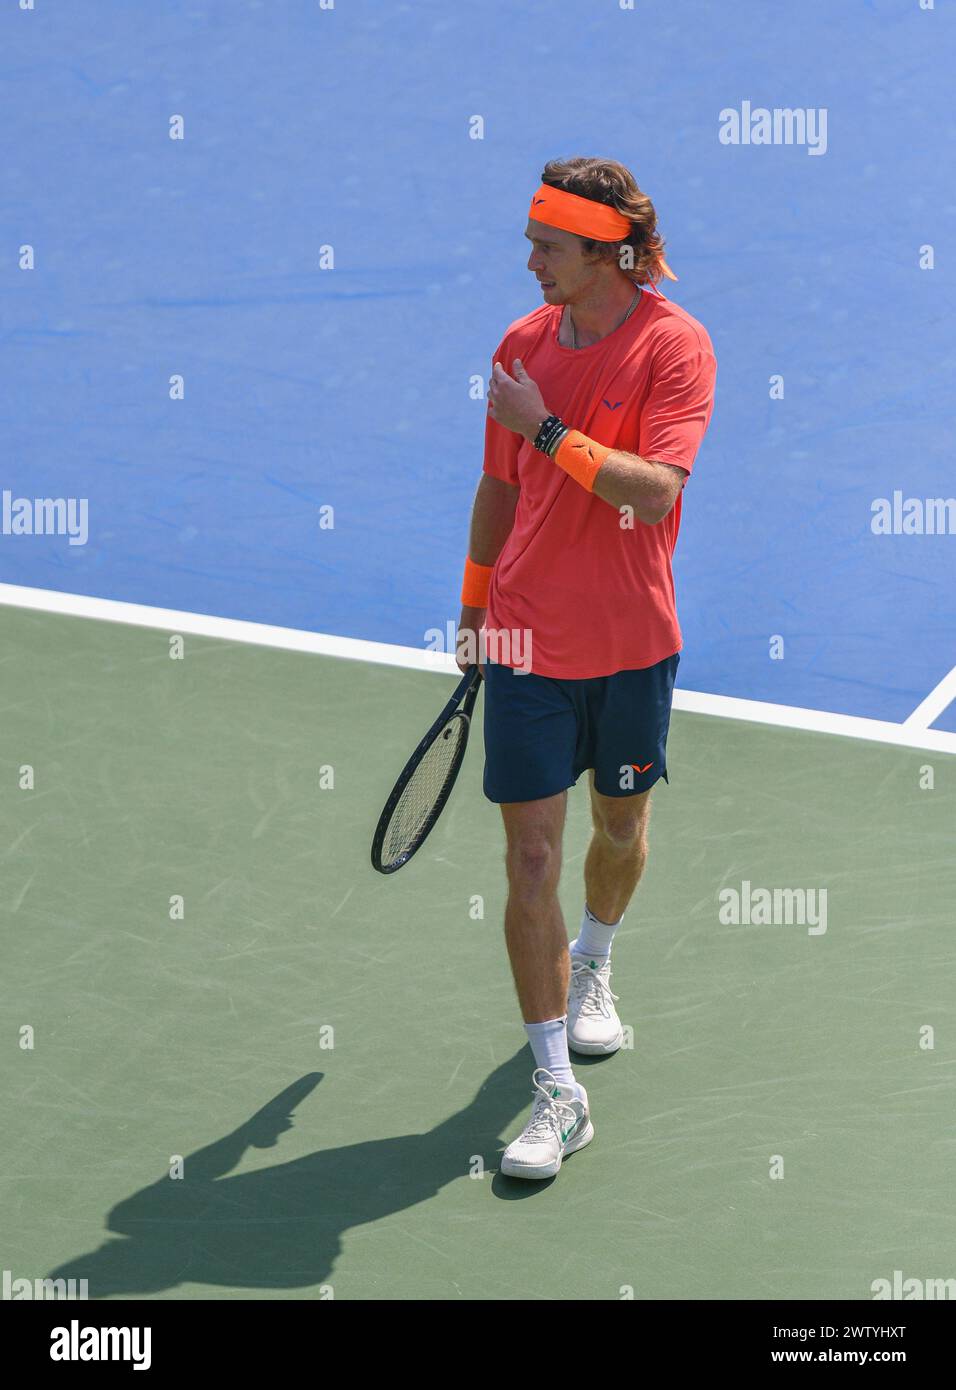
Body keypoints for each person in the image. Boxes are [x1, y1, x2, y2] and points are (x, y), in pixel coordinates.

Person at [456, 156, 717, 1180]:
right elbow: (495, 486)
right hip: (524, 639)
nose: (529, 264)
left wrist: (548, 427)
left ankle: (594, 963)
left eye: (547, 247)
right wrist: (475, 609)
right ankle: (554, 1089)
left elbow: (651, 493)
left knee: (618, 829)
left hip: (629, 644)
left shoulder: (673, 348)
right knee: (526, 861)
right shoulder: (520, 347)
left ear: (605, 253)